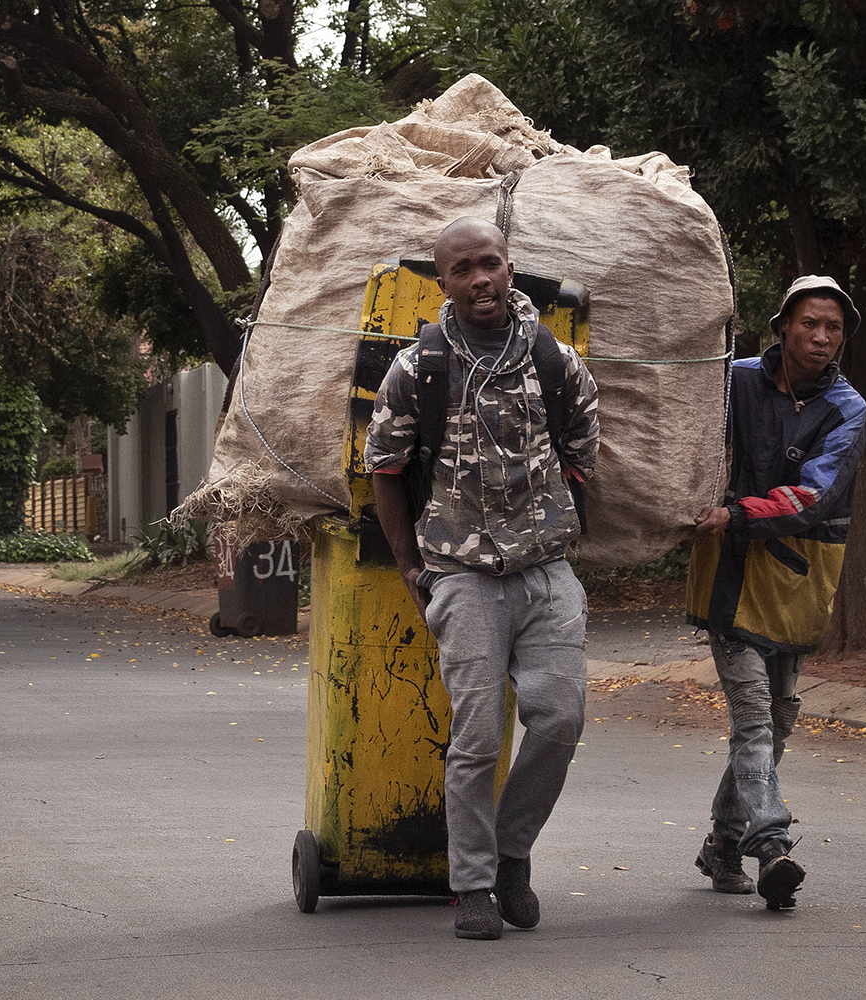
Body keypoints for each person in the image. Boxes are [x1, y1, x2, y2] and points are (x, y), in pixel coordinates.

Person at [364, 217, 599, 940]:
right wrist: (411, 566)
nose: (480, 280)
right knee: (477, 734)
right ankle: (471, 886)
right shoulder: (418, 368)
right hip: (461, 575)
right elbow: (385, 470)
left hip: (545, 570)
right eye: (462, 269)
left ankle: (510, 853)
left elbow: (585, 451)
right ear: (445, 283)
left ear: (509, 267)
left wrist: (564, 530)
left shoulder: (555, 362)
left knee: (560, 718)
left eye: (489, 264)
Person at [687, 275, 866, 911]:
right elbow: (688, 435)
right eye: (809, 324)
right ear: (782, 328)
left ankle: (721, 842)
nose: (821, 337)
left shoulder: (849, 410)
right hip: (730, 574)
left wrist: (738, 513)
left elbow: (814, 497)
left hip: (798, 573)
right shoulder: (731, 379)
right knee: (754, 717)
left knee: (780, 720)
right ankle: (770, 845)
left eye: (834, 327)